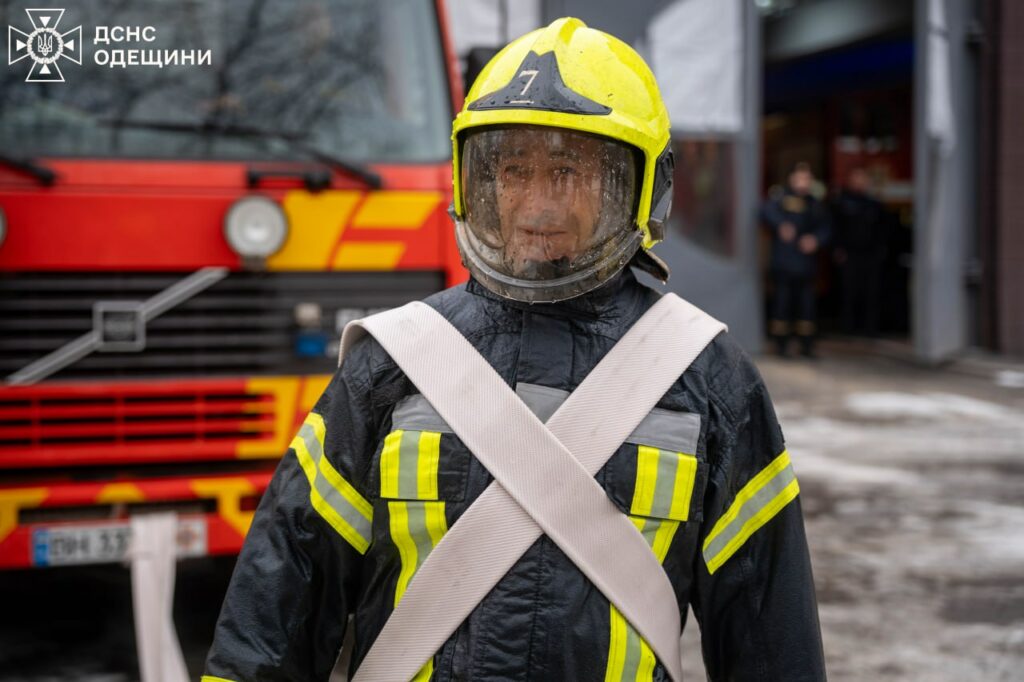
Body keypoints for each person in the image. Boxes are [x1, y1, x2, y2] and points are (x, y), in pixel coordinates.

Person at [204, 18, 825, 682]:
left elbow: (771, 640)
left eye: (569, 170)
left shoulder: (713, 383)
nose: (537, 204)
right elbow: (274, 617)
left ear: (644, 188)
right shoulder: (391, 364)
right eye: (512, 170)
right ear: (476, 181)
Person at [761, 163, 831, 358]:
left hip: (806, 265)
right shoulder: (780, 198)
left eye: (807, 179)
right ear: (791, 178)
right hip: (784, 263)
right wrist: (780, 225)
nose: (803, 183)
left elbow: (826, 227)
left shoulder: (814, 203)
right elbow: (765, 211)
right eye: (800, 178)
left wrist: (815, 240)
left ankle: (806, 345)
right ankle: (780, 345)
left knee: (806, 307)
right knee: (782, 304)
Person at [832, 167, 886, 336]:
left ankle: (870, 328)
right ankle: (848, 328)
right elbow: (835, 228)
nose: (859, 182)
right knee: (849, 293)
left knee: (871, 293)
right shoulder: (842, 202)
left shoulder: (874, 204)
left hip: (870, 254)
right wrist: (837, 249)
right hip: (849, 254)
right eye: (856, 178)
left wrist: (880, 251)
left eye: (862, 178)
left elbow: (883, 230)